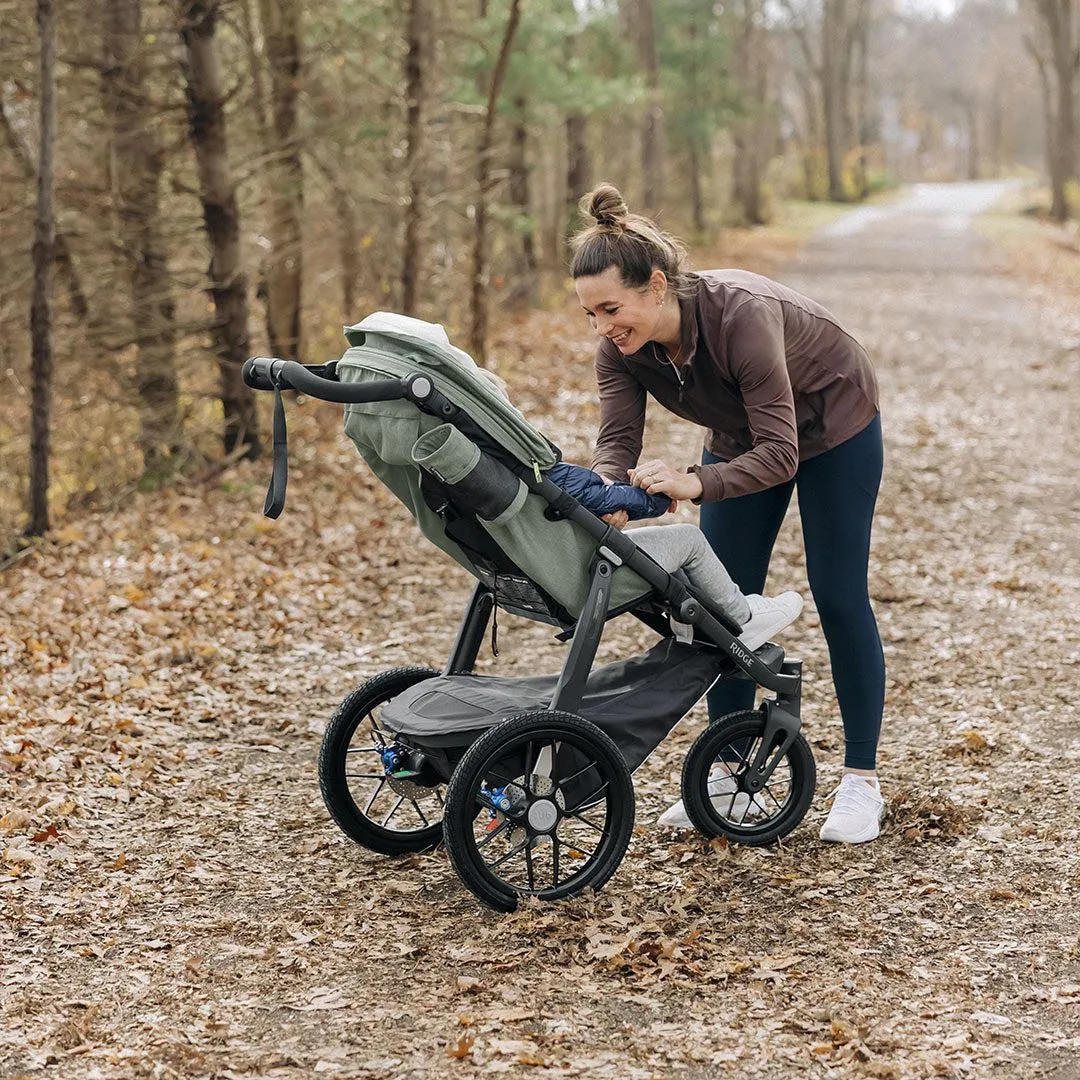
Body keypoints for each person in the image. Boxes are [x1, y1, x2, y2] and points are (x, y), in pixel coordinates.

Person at [569, 183, 886, 845]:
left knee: (836, 591)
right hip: (744, 435)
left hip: (832, 422)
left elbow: (781, 453)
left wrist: (694, 481)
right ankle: (730, 769)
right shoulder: (620, 350)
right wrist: (606, 492)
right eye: (591, 313)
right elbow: (617, 441)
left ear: (656, 286)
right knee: (717, 604)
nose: (602, 326)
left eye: (611, 308)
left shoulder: (740, 317)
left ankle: (860, 783)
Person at [475, 370, 804, 653]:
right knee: (688, 539)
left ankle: (689, 625)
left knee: (666, 551)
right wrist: (658, 497)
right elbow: (598, 497)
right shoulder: (542, 470)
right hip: (585, 572)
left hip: (546, 569)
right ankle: (742, 618)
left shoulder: (485, 477)